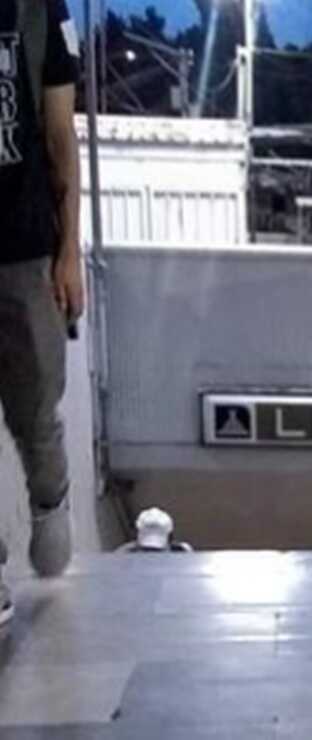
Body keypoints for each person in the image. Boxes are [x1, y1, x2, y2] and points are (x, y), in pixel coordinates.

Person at [0, 0, 85, 631]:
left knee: (36, 413)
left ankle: (50, 506)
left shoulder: (37, 10)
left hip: (27, 247)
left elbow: (60, 135)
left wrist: (69, 251)